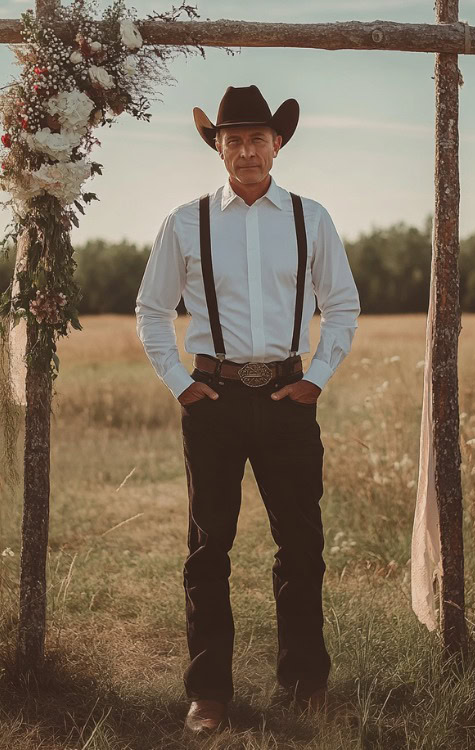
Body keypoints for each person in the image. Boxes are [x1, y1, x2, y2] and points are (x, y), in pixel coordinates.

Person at [135, 84, 360, 733]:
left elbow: (341, 303)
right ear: (219, 148)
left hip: (290, 399)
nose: (246, 151)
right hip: (214, 400)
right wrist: (179, 380)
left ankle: (306, 682)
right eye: (232, 140)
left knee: (302, 545)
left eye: (257, 138)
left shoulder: (310, 217)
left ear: (277, 143)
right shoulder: (187, 221)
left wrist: (317, 377)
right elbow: (153, 310)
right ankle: (209, 692)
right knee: (208, 550)